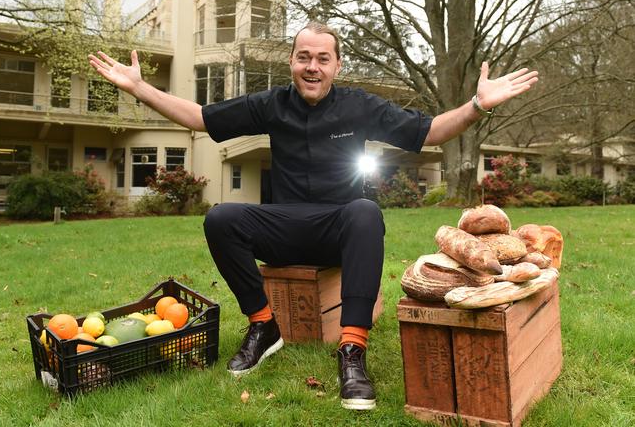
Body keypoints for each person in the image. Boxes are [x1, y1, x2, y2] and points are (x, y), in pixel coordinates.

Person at [88, 21, 538, 410]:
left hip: (338, 228)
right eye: (304, 57)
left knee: (365, 211)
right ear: (291, 61)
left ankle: (352, 352)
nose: (312, 67)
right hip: (283, 225)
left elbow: (431, 131)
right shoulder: (271, 104)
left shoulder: (359, 105)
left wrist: (478, 105)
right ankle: (264, 326)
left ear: (337, 66)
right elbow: (200, 118)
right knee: (221, 218)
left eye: (323, 59)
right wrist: (139, 88)